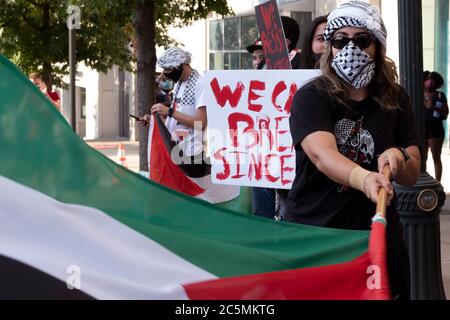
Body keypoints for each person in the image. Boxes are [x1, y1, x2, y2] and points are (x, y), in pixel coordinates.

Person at [287, 0, 420, 300]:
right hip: (317, 235)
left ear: (377, 46)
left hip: (375, 238)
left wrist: (400, 157)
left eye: (361, 40)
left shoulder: (396, 98)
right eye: (339, 40)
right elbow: (322, 154)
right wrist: (364, 178)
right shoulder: (312, 96)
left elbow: (412, 172)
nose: (350, 48)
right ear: (329, 46)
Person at [424, 71, 448, 181]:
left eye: (432, 79)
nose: (430, 81)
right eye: (428, 78)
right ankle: (423, 180)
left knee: (436, 158)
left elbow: (445, 113)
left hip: (436, 130)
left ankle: (438, 182)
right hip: (422, 129)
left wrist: (432, 107)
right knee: (422, 158)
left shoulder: (440, 95)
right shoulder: (419, 94)